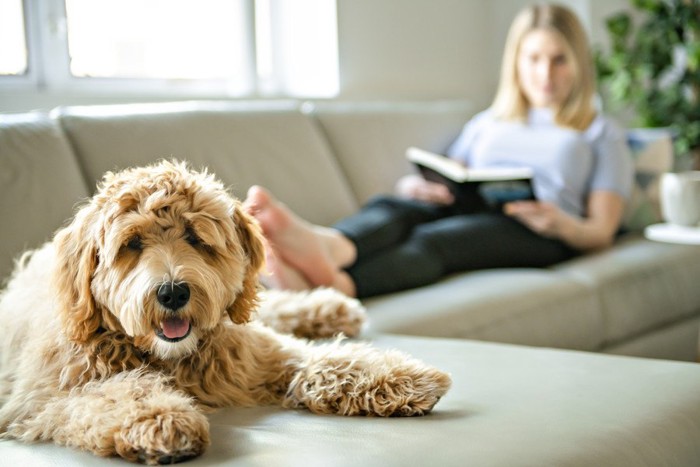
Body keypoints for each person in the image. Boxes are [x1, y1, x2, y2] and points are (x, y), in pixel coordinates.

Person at [244, 3, 633, 299]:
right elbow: (453, 173)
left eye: (559, 60)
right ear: (516, 63)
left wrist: (561, 224)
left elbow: (601, 231)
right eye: (534, 59)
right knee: (395, 208)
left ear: (579, 64)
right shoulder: (488, 122)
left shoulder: (600, 132)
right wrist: (416, 187)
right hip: (471, 206)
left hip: (539, 232)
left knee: (437, 240)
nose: (545, 74)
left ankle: (339, 285)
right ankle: (327, 246)